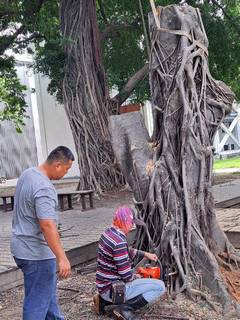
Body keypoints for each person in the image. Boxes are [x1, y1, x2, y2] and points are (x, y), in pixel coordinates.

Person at [11, 146, 75, 320]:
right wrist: (62, 257)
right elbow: (47, 225)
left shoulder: (28, 174)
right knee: (37, 304)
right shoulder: (44, 188)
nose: (66, 173)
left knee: (47, 297)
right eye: (66, 169)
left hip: (21, 247)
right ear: (57, 165)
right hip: (36, 253)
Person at [94, 206, 166, 320]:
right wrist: (137, 276)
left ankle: (102, 301)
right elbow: (126, 276)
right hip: (113, 290)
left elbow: (126, 250)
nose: (132, 226)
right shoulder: (119, 243)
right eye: (131, 222)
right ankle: (125, 309)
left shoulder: (108, 233)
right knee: (160, 287)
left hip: (103, 286)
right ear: (124, 222)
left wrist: (145, 254)